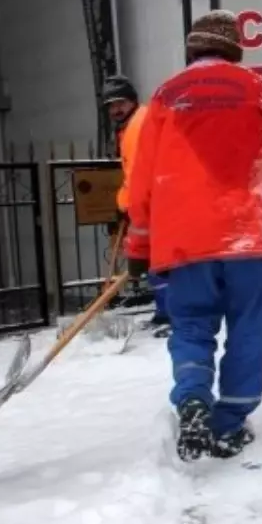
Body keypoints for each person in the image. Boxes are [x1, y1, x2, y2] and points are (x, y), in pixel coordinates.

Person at [124, 10, 262, 461]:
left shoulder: (164, 98)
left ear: (193, 49)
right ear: (234, 49)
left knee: (192, 325)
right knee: (247, 327)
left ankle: (193, 398)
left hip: (185, 240)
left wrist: (139, 247)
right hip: (248, 235)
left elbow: (141, 181)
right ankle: (229, 423)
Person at [103, 75, 170, 338]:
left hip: (155, 205)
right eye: (110, 105)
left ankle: (169, 315)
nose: (115, 109)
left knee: (159, 264)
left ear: (132, 100)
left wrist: (126, 203)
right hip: (150, 203)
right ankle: (165, 313)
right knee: (157, 264)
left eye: (120, 102)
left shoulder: (138, 125)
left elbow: (140, 174)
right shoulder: (132, 124)